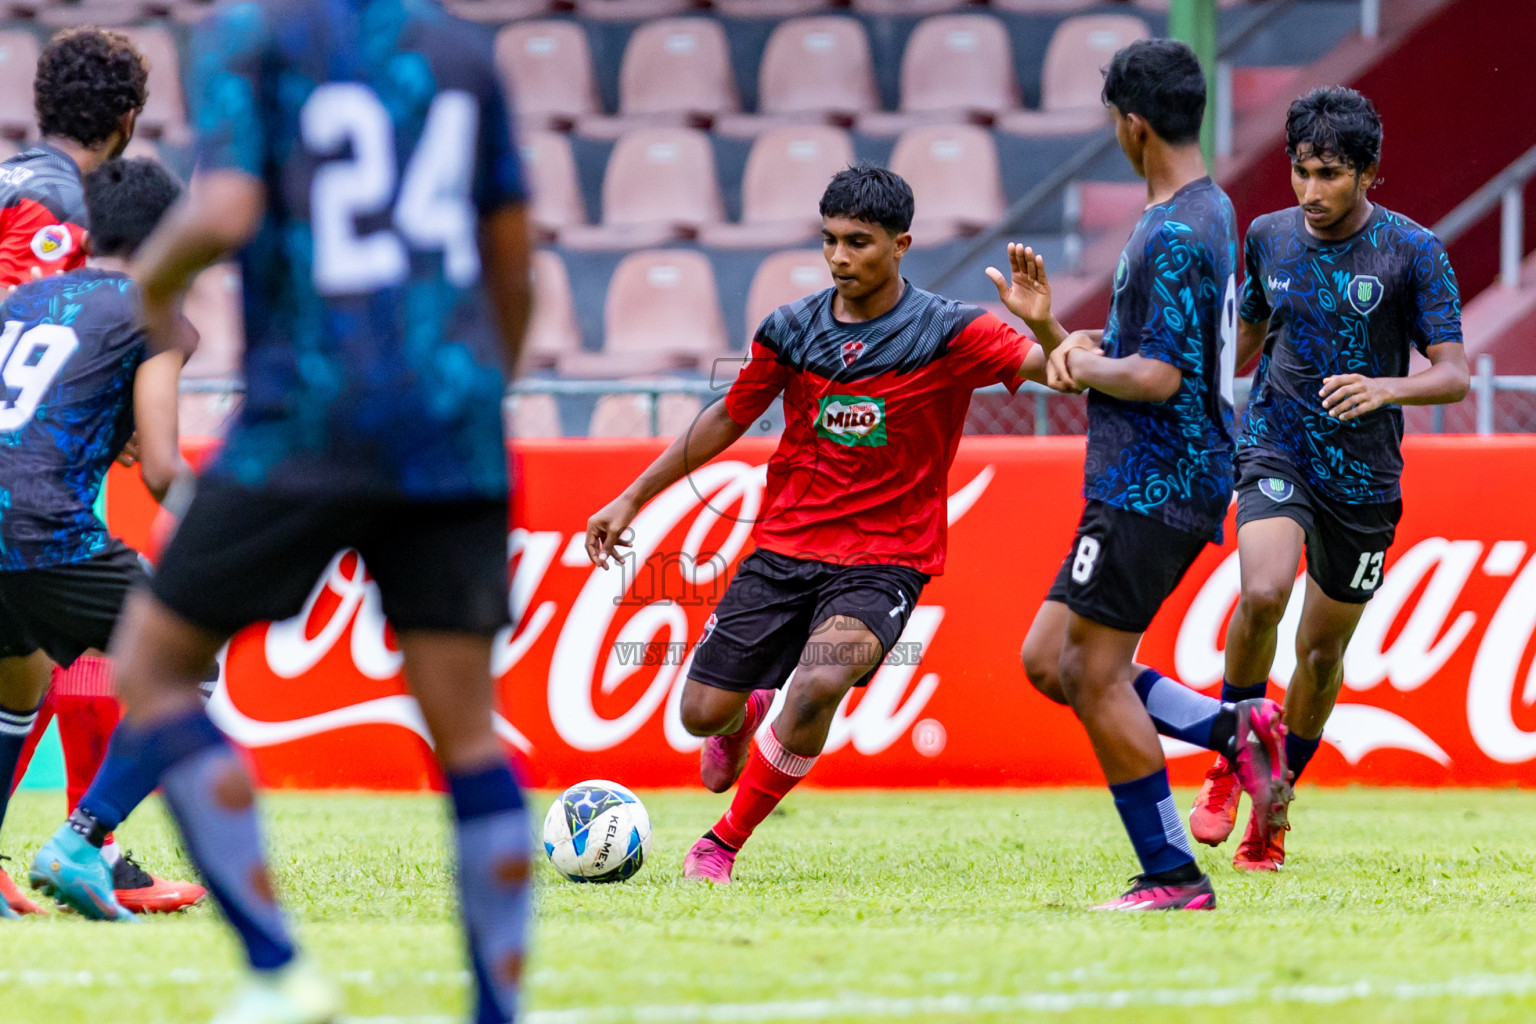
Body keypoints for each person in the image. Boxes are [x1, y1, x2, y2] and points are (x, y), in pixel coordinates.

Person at [29, 0, 534, 1020]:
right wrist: (476, 397)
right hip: (449, 424)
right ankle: (496, 1005)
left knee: (157, 664)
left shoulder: (256, 41)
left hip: (307, 412)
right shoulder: (464, 53)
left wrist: (158, 289)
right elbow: (514, 262)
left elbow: (222, 214)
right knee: (467, 733)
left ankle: (275, 967)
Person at [586, 164, 1068, 886]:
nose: (840, 257)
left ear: (901, 244)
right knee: (697, 713)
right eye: (830, 241)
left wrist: (1042, 322)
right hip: (785, 547)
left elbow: (1061, 370)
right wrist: (632, 498)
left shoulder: (951, 331)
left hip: (888, 557)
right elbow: (729, 415)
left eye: (859, 242)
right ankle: (740, 716)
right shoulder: (790, 330)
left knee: (817, 684)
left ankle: (720, 844)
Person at [1017, 39, 1288, 911]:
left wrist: (1077, 360)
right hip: (1154, 472)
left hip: (1154, 478)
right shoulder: (1203, 208)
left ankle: (1172, 876)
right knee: (1048, 660)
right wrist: (1068, 335)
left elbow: (1162, 377)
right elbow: (1157, 355)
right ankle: (1235, 731)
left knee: (1092, 675)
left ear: (1133, 125)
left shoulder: (1173, 229)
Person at [1180, 87, 1468, 870]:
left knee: (1317, 655)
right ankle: (1227, 761)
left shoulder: (1414, 252)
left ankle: (1273, 803)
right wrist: (1187, 389)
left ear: (1369, 173)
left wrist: (1386, 388)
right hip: (1277, 446)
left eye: (1330, 174)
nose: (1310, 191)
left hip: (1365, 480)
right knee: (1263, 592)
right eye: (1301, 171)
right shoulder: (1269, 237)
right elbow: (1243, 340)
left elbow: (1454, 376)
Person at [0, 25, 197, 915]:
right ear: (127, 118)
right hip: (29, 465)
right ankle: (93, 842)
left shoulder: (17, 181)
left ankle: (92, 843)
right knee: (141, 641)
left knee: (24, 665)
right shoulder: (56, 204)